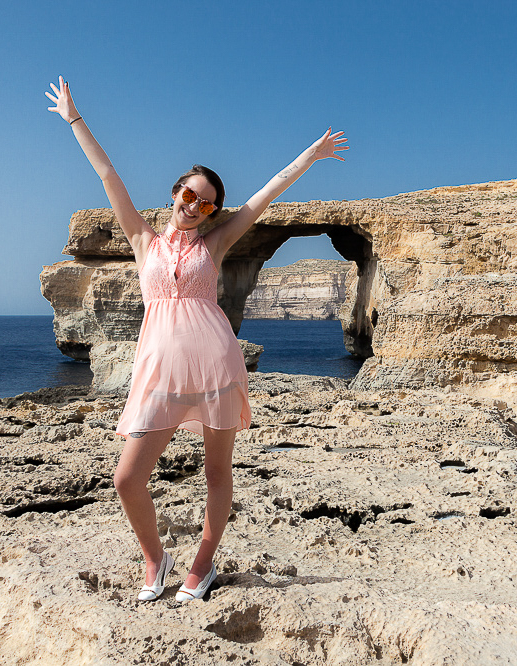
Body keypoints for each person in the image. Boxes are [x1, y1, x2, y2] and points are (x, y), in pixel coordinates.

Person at [45, 75, 348, 602]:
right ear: (175, 193)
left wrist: (312, 155)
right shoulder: (142, 239)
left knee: (215, 473)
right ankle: (154, 558)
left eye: (206, 204)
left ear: (212, 212)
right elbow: (107, 173)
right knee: (127, 479)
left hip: (214, 366)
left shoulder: (218, 242)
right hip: (160, 372)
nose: (194, 206)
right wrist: (74, 118)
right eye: (189, 195)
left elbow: (265, 195)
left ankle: (202, 565)